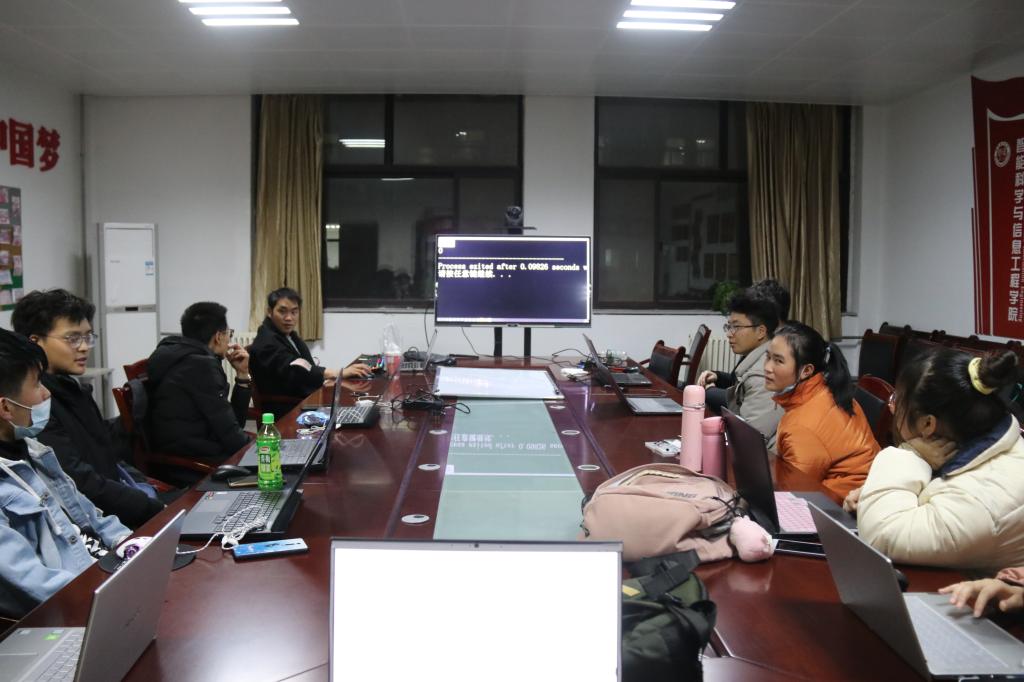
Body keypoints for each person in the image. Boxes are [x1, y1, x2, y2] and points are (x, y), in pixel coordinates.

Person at [855, 348, 1024, 573]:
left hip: (962, 592)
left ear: (927, 424)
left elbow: (881, 534)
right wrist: (875, 495)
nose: (892, 407)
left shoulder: (983, 500)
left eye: (897, 399)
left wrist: (909, 452)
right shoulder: (972, 441)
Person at [0, 329, 130, 618]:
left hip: (108, 573)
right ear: (6, 407)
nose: (46, 393)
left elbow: (92, 517)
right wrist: (111, 595)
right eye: (37, 384)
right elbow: (32, 581)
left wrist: (134, 546)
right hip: (82, 602)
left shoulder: (33, 450)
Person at [12, 289, 165, 529]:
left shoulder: (74, 389)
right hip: (98, 523)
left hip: (121, 505)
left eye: (88, 337)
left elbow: (109, 457)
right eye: (73, 338)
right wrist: (153, 509)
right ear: (35, 342)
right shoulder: (34, 406)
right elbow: (79, 482)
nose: (84, 347)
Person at [764, 321, 879, 504]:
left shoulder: (801, 425)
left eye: (778, 360)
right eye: (768, 357)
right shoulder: (830, 389)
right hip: (865, 492)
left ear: (806, 371)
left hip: (843, 508)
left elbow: (794, 496)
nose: (767, 367)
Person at [147, 302, 252, 476]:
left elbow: (232, 424)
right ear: (218, 336)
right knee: (269, 467)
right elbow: (231, 435)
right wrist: (265, 449)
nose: (229, 340)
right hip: (189, 461)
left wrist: (242, 374)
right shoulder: (200, 366)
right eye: (229, 334)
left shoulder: (179, 354)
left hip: (188, 447)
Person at [249, 288, 371, 415]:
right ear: (270, 312)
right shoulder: (267, 341)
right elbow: (295, 370)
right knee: (349, 408)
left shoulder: (287, 335)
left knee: (351, 402)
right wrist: (338, 373)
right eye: (282, 311)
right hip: (288, 407)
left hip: (304, 396)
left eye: (294, 312)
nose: (289, 318)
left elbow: (305, 366)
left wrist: (329, 379)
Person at [697, 289, 783, 452]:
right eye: (728, 327)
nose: (729, 334)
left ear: (761, 331)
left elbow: (749, 443)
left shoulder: (764, 375)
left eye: (736, 327)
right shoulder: (758, 355)